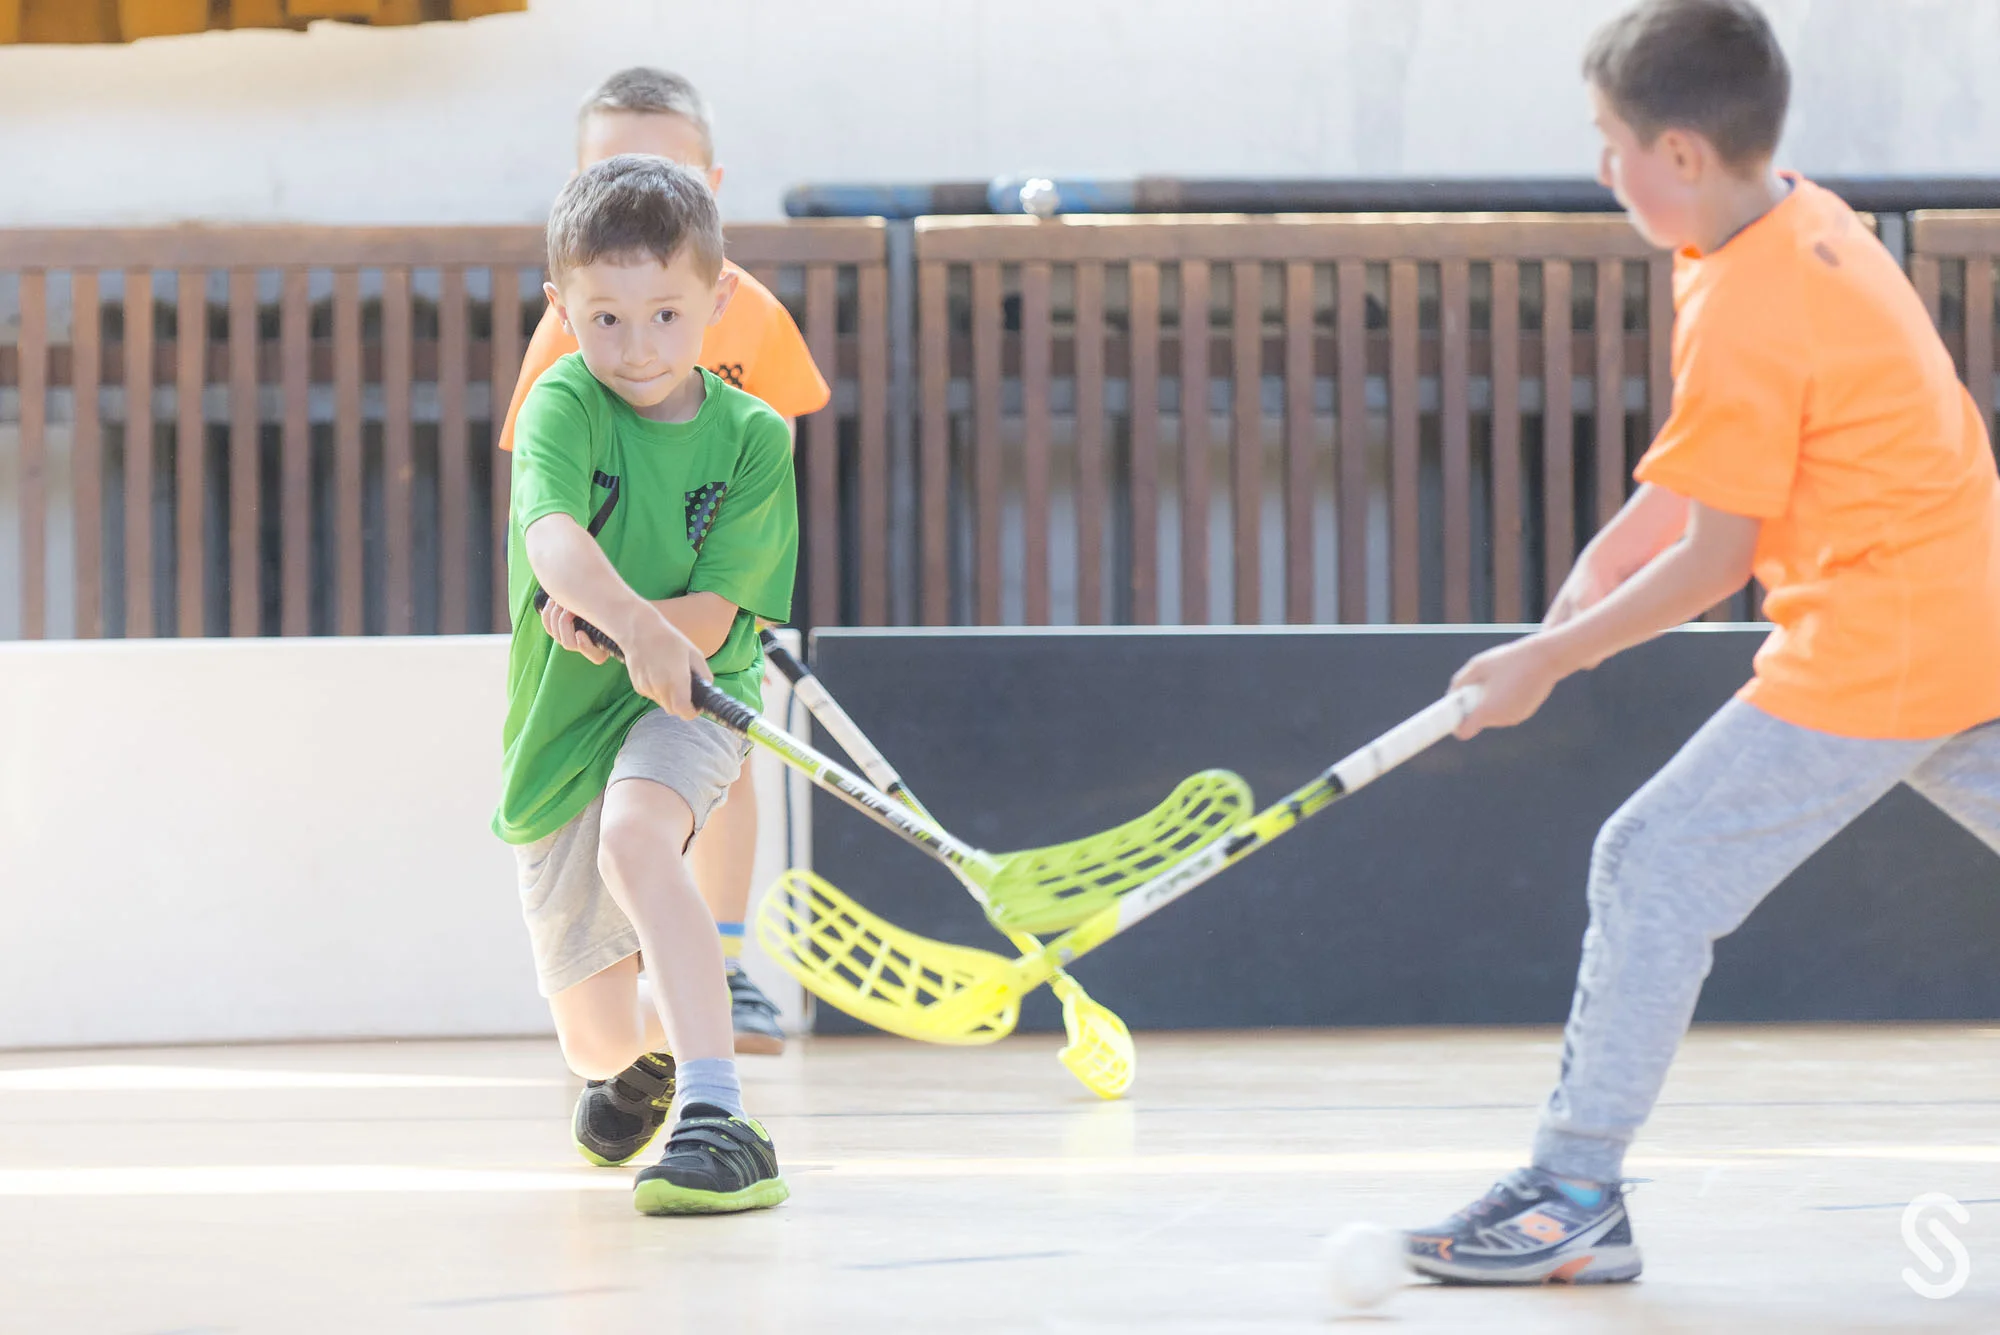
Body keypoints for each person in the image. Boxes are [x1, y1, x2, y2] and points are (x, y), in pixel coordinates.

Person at [1406, 0, 2000, 1284]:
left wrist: (1547, 660)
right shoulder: (1786, 221)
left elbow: (1717, 561)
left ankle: (1571, 1192)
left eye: (1607, 141)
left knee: (1649, 862)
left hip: (1878, 648)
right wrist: (1604, 557)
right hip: (1963, 618)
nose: (1599, 168)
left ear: (1675, 152)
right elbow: (1724, 464)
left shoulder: (1747, 296)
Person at [499, 66, 829, 1058]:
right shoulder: (566, 373)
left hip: (702, 635)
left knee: (686, 796)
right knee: (596, 1046)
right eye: (608, 318)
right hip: (583, 659)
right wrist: (607, 613)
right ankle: (654, 1011)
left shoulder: (752, 329)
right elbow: (548, 513)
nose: (640, 346)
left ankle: (718, 973)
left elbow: (766, 459)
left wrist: (687, 611)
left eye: (668, 318)